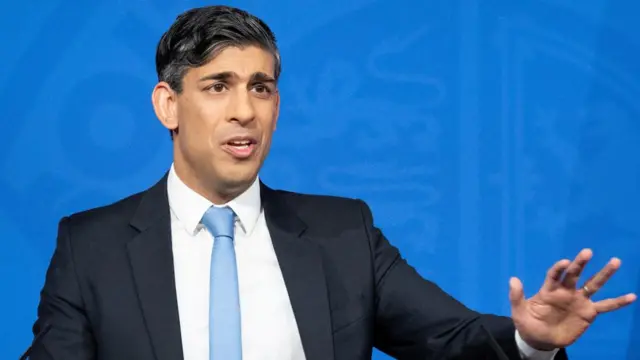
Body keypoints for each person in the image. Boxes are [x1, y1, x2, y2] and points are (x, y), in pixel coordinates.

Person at [28, 5, 635, 360]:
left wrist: (532, 341)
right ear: (169, 105)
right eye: (219, 87)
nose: (246, 110)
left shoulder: (344, 234)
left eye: (261, 87)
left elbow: (451, 338)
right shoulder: (92, 247)